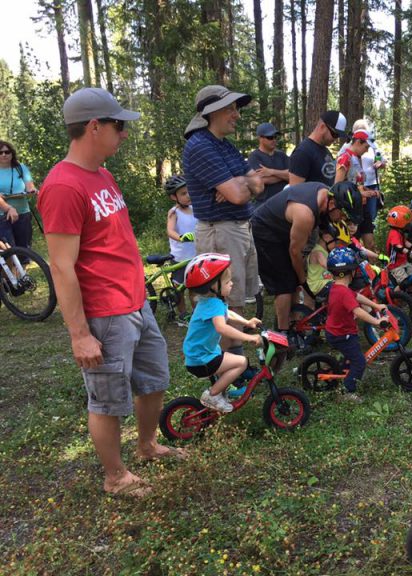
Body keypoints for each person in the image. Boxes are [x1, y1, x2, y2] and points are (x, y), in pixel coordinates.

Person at [38, 87, 183, 498]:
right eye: (117, 126)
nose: (123, 134)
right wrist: (79, 334)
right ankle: (115, 477)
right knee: (107, 400)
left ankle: (147, 446)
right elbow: (62, 266)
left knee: (155, 379)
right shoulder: (63, 186)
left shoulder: (101, 173)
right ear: (94, 126)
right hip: (104, 312)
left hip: (135, 302)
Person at [182, 84, 263, 312]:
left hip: (237, 230)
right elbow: (238, 196)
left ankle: (232, 346)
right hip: (221, 232)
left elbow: (259, 183)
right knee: (223, 302)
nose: (237, 115)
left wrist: (239, 182)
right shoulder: (200, 146)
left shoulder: (225, 146)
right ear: (213, 112)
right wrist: (243, 183)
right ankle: (228, 347)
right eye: (231, 109)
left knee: (236, 300)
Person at [250, 181, 364, 337]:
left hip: (284, 229)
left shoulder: (325, 195)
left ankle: (295, 323)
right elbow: (295, 252)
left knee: (294, 282)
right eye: (343, 214)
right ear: (332, 204)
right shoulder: (305, 215)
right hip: (265, 232)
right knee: (284, 284)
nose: (342, 219)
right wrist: (304, 280)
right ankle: (283, 334)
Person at [182, 253, 263, 414]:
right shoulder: (213, 303)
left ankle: (222, 393)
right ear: (213, 286)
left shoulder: (211, 302)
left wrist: (247, 322)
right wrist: (249, 337)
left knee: (228, 361)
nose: (231, 284)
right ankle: (213, 394)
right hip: (201, 359)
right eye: (227, 281)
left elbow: (228, 314)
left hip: (200, 354)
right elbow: (222, 328)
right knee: (241, 362)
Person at [324, 246, 387, 401]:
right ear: (352, 272)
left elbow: (357, 297)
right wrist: (377, 322)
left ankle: (344, 370)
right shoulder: (343, 292)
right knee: (359, 362)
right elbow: (358, 311)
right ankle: (347, 392)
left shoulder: (338, 287)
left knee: (351, 355)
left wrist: (376, 306)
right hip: (342, 334)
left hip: (338, 331)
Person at [339, 119, 387, 249]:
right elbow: (337, 188)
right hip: (350, 207)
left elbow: (357, 183)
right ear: (358, 142)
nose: (367, 151)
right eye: (366, 147)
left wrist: (369, 191)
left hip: (362, 204)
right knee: (351, 244)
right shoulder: (345, 157)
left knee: (370, 240)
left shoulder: (358, 158)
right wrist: (360, 193)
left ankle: (372, 267)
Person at [164, 174, 197, 323]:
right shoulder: (173, 213)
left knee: (195, 288)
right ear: (173, 197)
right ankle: (183, 313)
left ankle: (197, 314)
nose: (188, 195)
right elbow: (170, 231)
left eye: (189, 191)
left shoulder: (195, 208)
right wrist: (181, 237)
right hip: (180, 257)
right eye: (183, 193)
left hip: (195, 255)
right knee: (179, 289)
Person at [288, 110, 349, 186]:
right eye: (334, 134)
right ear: (322, 127)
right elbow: (295, 192)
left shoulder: (325, 150)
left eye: (338, 136)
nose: (336, 139)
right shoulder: (302, 152)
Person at [0, 140, 37, 257]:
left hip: (23, 213)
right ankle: (11, 275)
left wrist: (32, 191)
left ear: (12, 153)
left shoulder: (20, 168)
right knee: (9, 251)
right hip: (2, 216)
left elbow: (29, 186)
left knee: (24, 250)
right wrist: (8, 208)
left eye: (7, 152)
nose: (4, 155)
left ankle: (23, 275)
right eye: (0, 152)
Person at [247, 122, 290, 204]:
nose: (274, 140)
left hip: (285, 201)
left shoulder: (281, 155)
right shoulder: (254, 157)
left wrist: (271, 172)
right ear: (260, 138)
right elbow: (260, 180)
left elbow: (292, 174)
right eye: (270, 137)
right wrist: (283, 176)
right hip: (264, 204)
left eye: (275, 137)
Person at [384, 204, 412, 287]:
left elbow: (405, 243)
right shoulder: (394, 233)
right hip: (395, 264)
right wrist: (409, 252)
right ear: (401, 223)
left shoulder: (400, 233)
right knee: (404, 283)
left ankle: (410, 292)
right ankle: (397, 294)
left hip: (403, 261)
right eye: (408, 223)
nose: (409, 225)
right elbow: (397, 247)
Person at [306, 225, 338, 303]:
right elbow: (328, 266)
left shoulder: (325, 251)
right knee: (342, 290)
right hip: (318, 285)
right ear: (327, 237)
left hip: (326, 283)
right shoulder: (318, 252)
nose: (336, 245)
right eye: (335, 241)